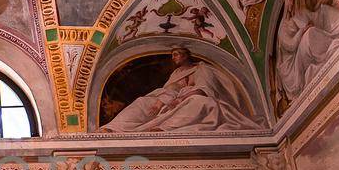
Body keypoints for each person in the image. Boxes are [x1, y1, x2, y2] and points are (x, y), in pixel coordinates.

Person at [101, 48, 260, 132]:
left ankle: (164, 128)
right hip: (172, 101)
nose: (174, 57)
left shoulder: (202, 68)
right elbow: (171, 88)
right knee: (143, 101)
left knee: (199, 102)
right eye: (172, 55)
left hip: (194, 99)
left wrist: (181, 99)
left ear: (186, 55)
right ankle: (114, 128)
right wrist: (160, 101)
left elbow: (204, 88)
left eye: (177, 54)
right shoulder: (176, 73)